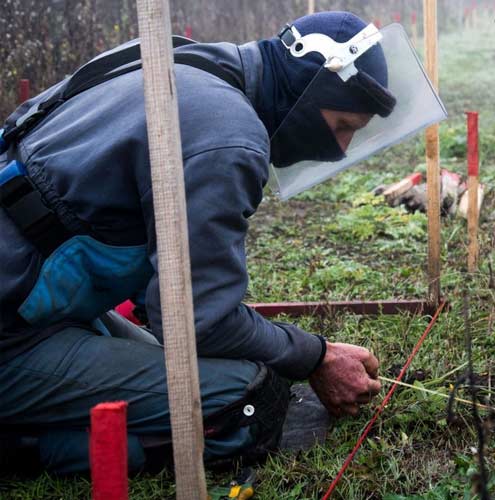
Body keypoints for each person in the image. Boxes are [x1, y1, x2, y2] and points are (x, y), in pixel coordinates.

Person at [0, 10, 444, 474]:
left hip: (34, 301)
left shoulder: (181, 62)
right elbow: (200, 323)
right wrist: (315, 356)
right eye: (341, 126)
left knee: (190, 365)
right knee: (245, 397)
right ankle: (22, 447)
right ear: (307, 91)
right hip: (15, 331)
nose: (343, 148)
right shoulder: (227, 138)